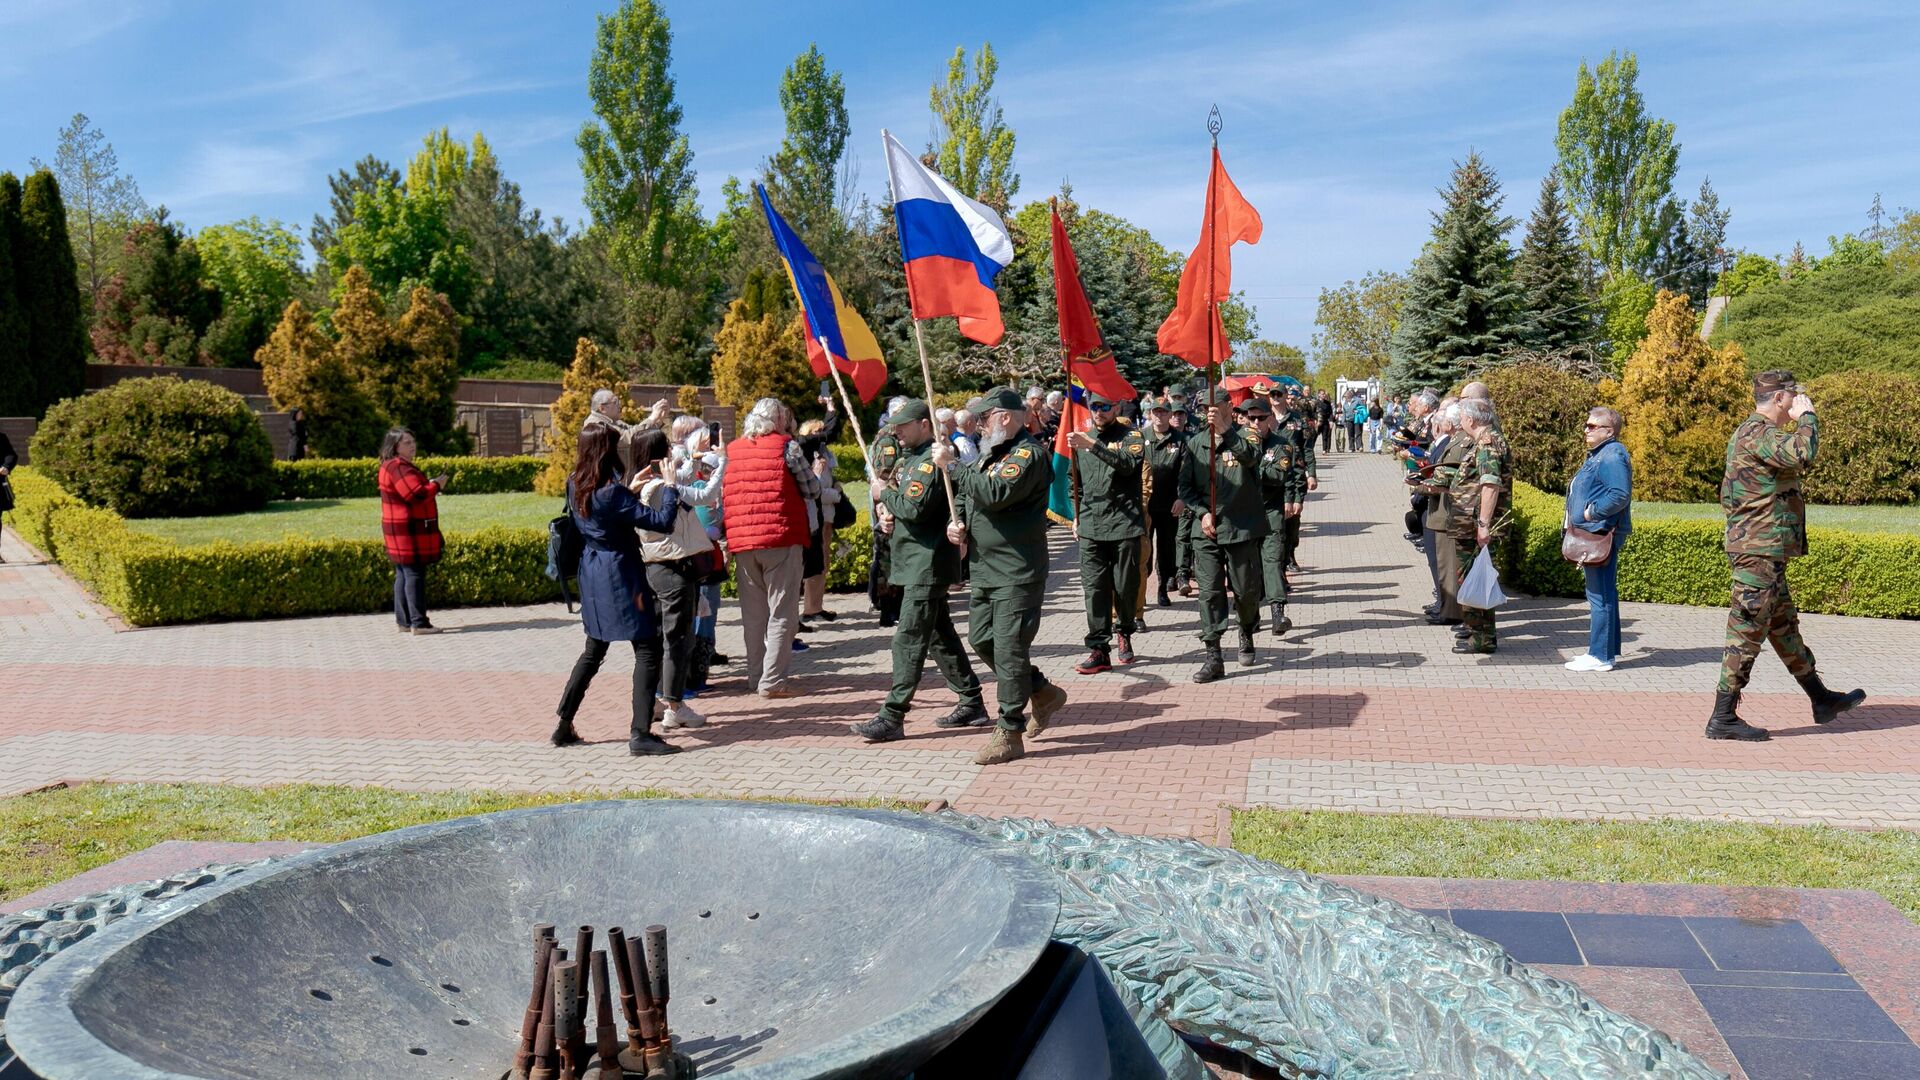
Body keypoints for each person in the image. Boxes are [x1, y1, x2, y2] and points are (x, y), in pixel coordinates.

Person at [1709, 371, 1867, 741]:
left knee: (1782, 627)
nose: (1798, 401)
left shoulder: (1754, 434)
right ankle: (1722, 717)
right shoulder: (1758, 434)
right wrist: (1808, 417)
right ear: (1780, 399)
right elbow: (1802, 452)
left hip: (1764, 550)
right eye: (1793, 396)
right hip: (1757, 551)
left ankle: (1820, 699)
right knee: (1745, 631)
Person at [930, 387, 1067, 765]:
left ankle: (1010, 730)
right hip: (986, 568)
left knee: (1009, 649)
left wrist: (952, 466)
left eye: (984, 417)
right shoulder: (993, 452)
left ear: (1004, 417)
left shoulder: (1028, 454)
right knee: (982, 639)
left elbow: (993, 493)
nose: (978, 424)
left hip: (1017, 570)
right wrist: (955, 522)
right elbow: (969, 497)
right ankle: (1041, 689)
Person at [851, 399, 987, 742]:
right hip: (912, 561)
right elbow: (901, 502)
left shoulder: (931, 461)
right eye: (895, 425)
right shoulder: (909, 459)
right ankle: (971, 701)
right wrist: (886, 514)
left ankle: (892, 715)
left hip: (927, 563)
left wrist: (886, 496)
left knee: (908, 639)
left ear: (924, 425)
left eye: (903, 425)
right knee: (940, 638)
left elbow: (915, 506)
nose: (896, 431)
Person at [551, 424, 683, 754]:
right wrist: (669, 487)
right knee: (648, 648)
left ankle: (564, 724)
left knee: (594, 650)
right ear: (606, 451)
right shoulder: (613, 492)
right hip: (621, 575)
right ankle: (640, 733)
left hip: (592, 571)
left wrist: (632, 491)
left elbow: (609, 513)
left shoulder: (574, 482)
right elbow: (662, 521)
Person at [721, 397, 820, 699]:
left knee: (753, 616)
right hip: (780, 537)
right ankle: (773, 680)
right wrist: (815, 472)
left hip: (743, 541)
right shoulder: (786, 446)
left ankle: (755, 677)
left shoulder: (733, 450)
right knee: (783, 612)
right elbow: (812, 489)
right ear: (777, 421)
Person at [632, 428, 722, 731]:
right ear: (661, 455)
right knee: (678, 639)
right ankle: (675, 706)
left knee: (659, 638)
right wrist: (721, 464)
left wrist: (693, 463)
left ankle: (657, 702)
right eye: (669, 449)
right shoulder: (661, 488)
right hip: (674, 567)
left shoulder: (638, 483)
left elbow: (683, 478)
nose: (674, 453)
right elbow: (706, 495)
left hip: (654, 568)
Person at [1178, 387, 1270, 682]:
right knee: (1209, 592)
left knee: (1245, 591)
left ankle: (1246, 629)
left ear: (1229, 407)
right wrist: (1202, 512)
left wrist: (1227, 432)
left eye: (1215, 405)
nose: (1210, 411)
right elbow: (1186, 488)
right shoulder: (1195, 443)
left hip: (1241, 526)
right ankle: (1213, 654)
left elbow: (1252, 458)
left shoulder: (1248, 435)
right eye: (1205, 406)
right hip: (1206, 530)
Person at [1068, 392, 1147, 673]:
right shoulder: (1080, 440)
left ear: (1116, 407)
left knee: (1125, 586)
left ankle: (1124, 631)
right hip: (1091, 526)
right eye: (1095, 407)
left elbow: (1128, 465)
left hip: (1124, 525)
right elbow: (1073, 483)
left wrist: (1094, 446)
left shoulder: (1132, 436)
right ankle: (1099, 649)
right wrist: (1075, 517)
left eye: (1104, 406)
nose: (1099, 411)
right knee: (1094, 589)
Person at [1564, 407, 1632, 673]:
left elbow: (1619, 494)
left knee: (1599, 595)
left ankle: (1600, 656)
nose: (1586, 430)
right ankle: (1604, 651)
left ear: (1609, 431)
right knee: (1604, 594)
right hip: (1594, 532)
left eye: (1592, 426)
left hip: (1599, 533)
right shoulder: (1602, 454)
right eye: (1586, 425)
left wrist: (1592, 512)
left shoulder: (1612, 455)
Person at [1449, 398, 1511, 655]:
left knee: (1475, 578)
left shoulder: (1487, 443)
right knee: (1474, 577)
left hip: (1475, 525)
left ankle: (1482, 639)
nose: (1460, 422)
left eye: (1462, 417)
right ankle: (1479, 634)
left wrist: (1483, 524)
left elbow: (1490, 484)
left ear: (1471, 420)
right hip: (1469, 523)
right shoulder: (1488, 440)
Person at [376, 428, 447, 635]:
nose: (412, 445)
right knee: (413, 573)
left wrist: (431, 484)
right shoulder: (399, 467)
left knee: (403, 573)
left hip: (399, 528)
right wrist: (436, 485)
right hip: (408, 529)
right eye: (407, 442)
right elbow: (415, 495)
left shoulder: (391, 465)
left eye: (413, 441)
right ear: (395, 446)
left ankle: (405, 621)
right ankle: (418, 622)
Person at [1416, 400, 1468, 628]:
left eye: (1446, 418)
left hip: (1449, 511)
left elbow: (1449, 474)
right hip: (1441, 509)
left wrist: (1425, 483)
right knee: (1444, 565)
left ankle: (1453, 613)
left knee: (1448, 566)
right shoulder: (1455, 440)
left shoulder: (1459, 443)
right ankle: (1447, 609)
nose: (1442, 421)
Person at [1245, 397, 1295, 635]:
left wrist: (1252, 463)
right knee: (1249, 567)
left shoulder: (1281, 445)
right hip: (1243, 514)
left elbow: (1277, 475)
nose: (1255, 422)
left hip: (1270, 511)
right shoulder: (1237, 444)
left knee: (1272, 561)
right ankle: (1252, 615)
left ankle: (1278, 613)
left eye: (1261, 418)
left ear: (1270, 419)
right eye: (1251, 418)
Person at [868, 397, 909, 628]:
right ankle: (888, 610)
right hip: (889, 505)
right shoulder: (888, 439)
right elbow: (885, 474)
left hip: (894, 502)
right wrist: (886, 506)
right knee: (888, 561)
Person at [1142, 398, 1186, 607]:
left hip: (1170, 504)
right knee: (1144, 549)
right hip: (1146, 505)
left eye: (1163, 412)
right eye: (1155, 412)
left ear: (1170, 415)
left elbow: (1186, 473)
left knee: (1167, 549)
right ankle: (1141, 590)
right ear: (1150, 414)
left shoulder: (1179, 439)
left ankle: (1163, 588)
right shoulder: (1141, 437)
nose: (1159, 416)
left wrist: (1181, 497)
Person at [1278, 386, 1319, 574]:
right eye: (1273, 395)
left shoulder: (1298, 420)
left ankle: (1290, 555)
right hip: (1272, 478)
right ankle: (1277, 563)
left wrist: (1311, 472)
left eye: (1280, 394)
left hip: (1294, 475)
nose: (1276, 398)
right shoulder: (1263, 419)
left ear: (1287, 397)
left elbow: (1307, 448)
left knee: (1292, 521)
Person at [584, 388, 635, 472]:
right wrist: (652, 419)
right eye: (615, 402)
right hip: (605, 477)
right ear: (602, 408)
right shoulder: (598, 424)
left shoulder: (612, 421)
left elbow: (633, 430)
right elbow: (628, 437)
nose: (619, 405)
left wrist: (655, 420)